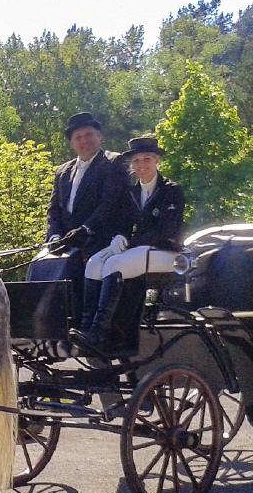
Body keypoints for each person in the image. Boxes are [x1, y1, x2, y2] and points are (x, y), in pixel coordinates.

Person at [70, 136, 185, 352]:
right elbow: (124, 223)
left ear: (157, 161)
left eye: (147, 159)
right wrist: (119, 237)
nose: (141, 165)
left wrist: (130, 242)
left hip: (166, 252)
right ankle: (86, 328)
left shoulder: (171, 191)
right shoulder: (131, 193)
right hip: (140, 249)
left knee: (115, 265)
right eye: (137, 161)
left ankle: (100, 333)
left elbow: (165, 230)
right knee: (95, 262)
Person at [45, 112, 130, 259]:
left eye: (89, 135)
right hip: (65, 245)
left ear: (99, 136)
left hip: (99, 242)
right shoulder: (62, 172)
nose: (84, 140)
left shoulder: (113, 162)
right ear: (72, 143)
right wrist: (55, 236)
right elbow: (54, 210)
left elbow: (109, 204)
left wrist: (86, 229)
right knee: (39, 268)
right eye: (78, 137)